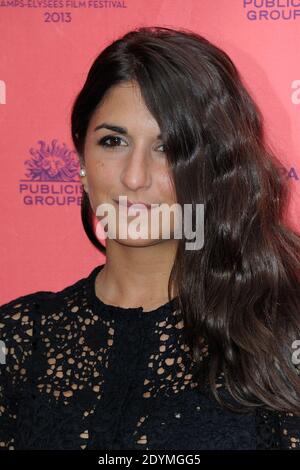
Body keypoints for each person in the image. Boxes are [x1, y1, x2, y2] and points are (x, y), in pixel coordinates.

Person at [0, 26, 300, 450]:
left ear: (213, 170)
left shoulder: (282, 333)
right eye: (113, 141)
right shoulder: (18, 339)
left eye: (167, 148)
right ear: (81, 158)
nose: (134, 177)